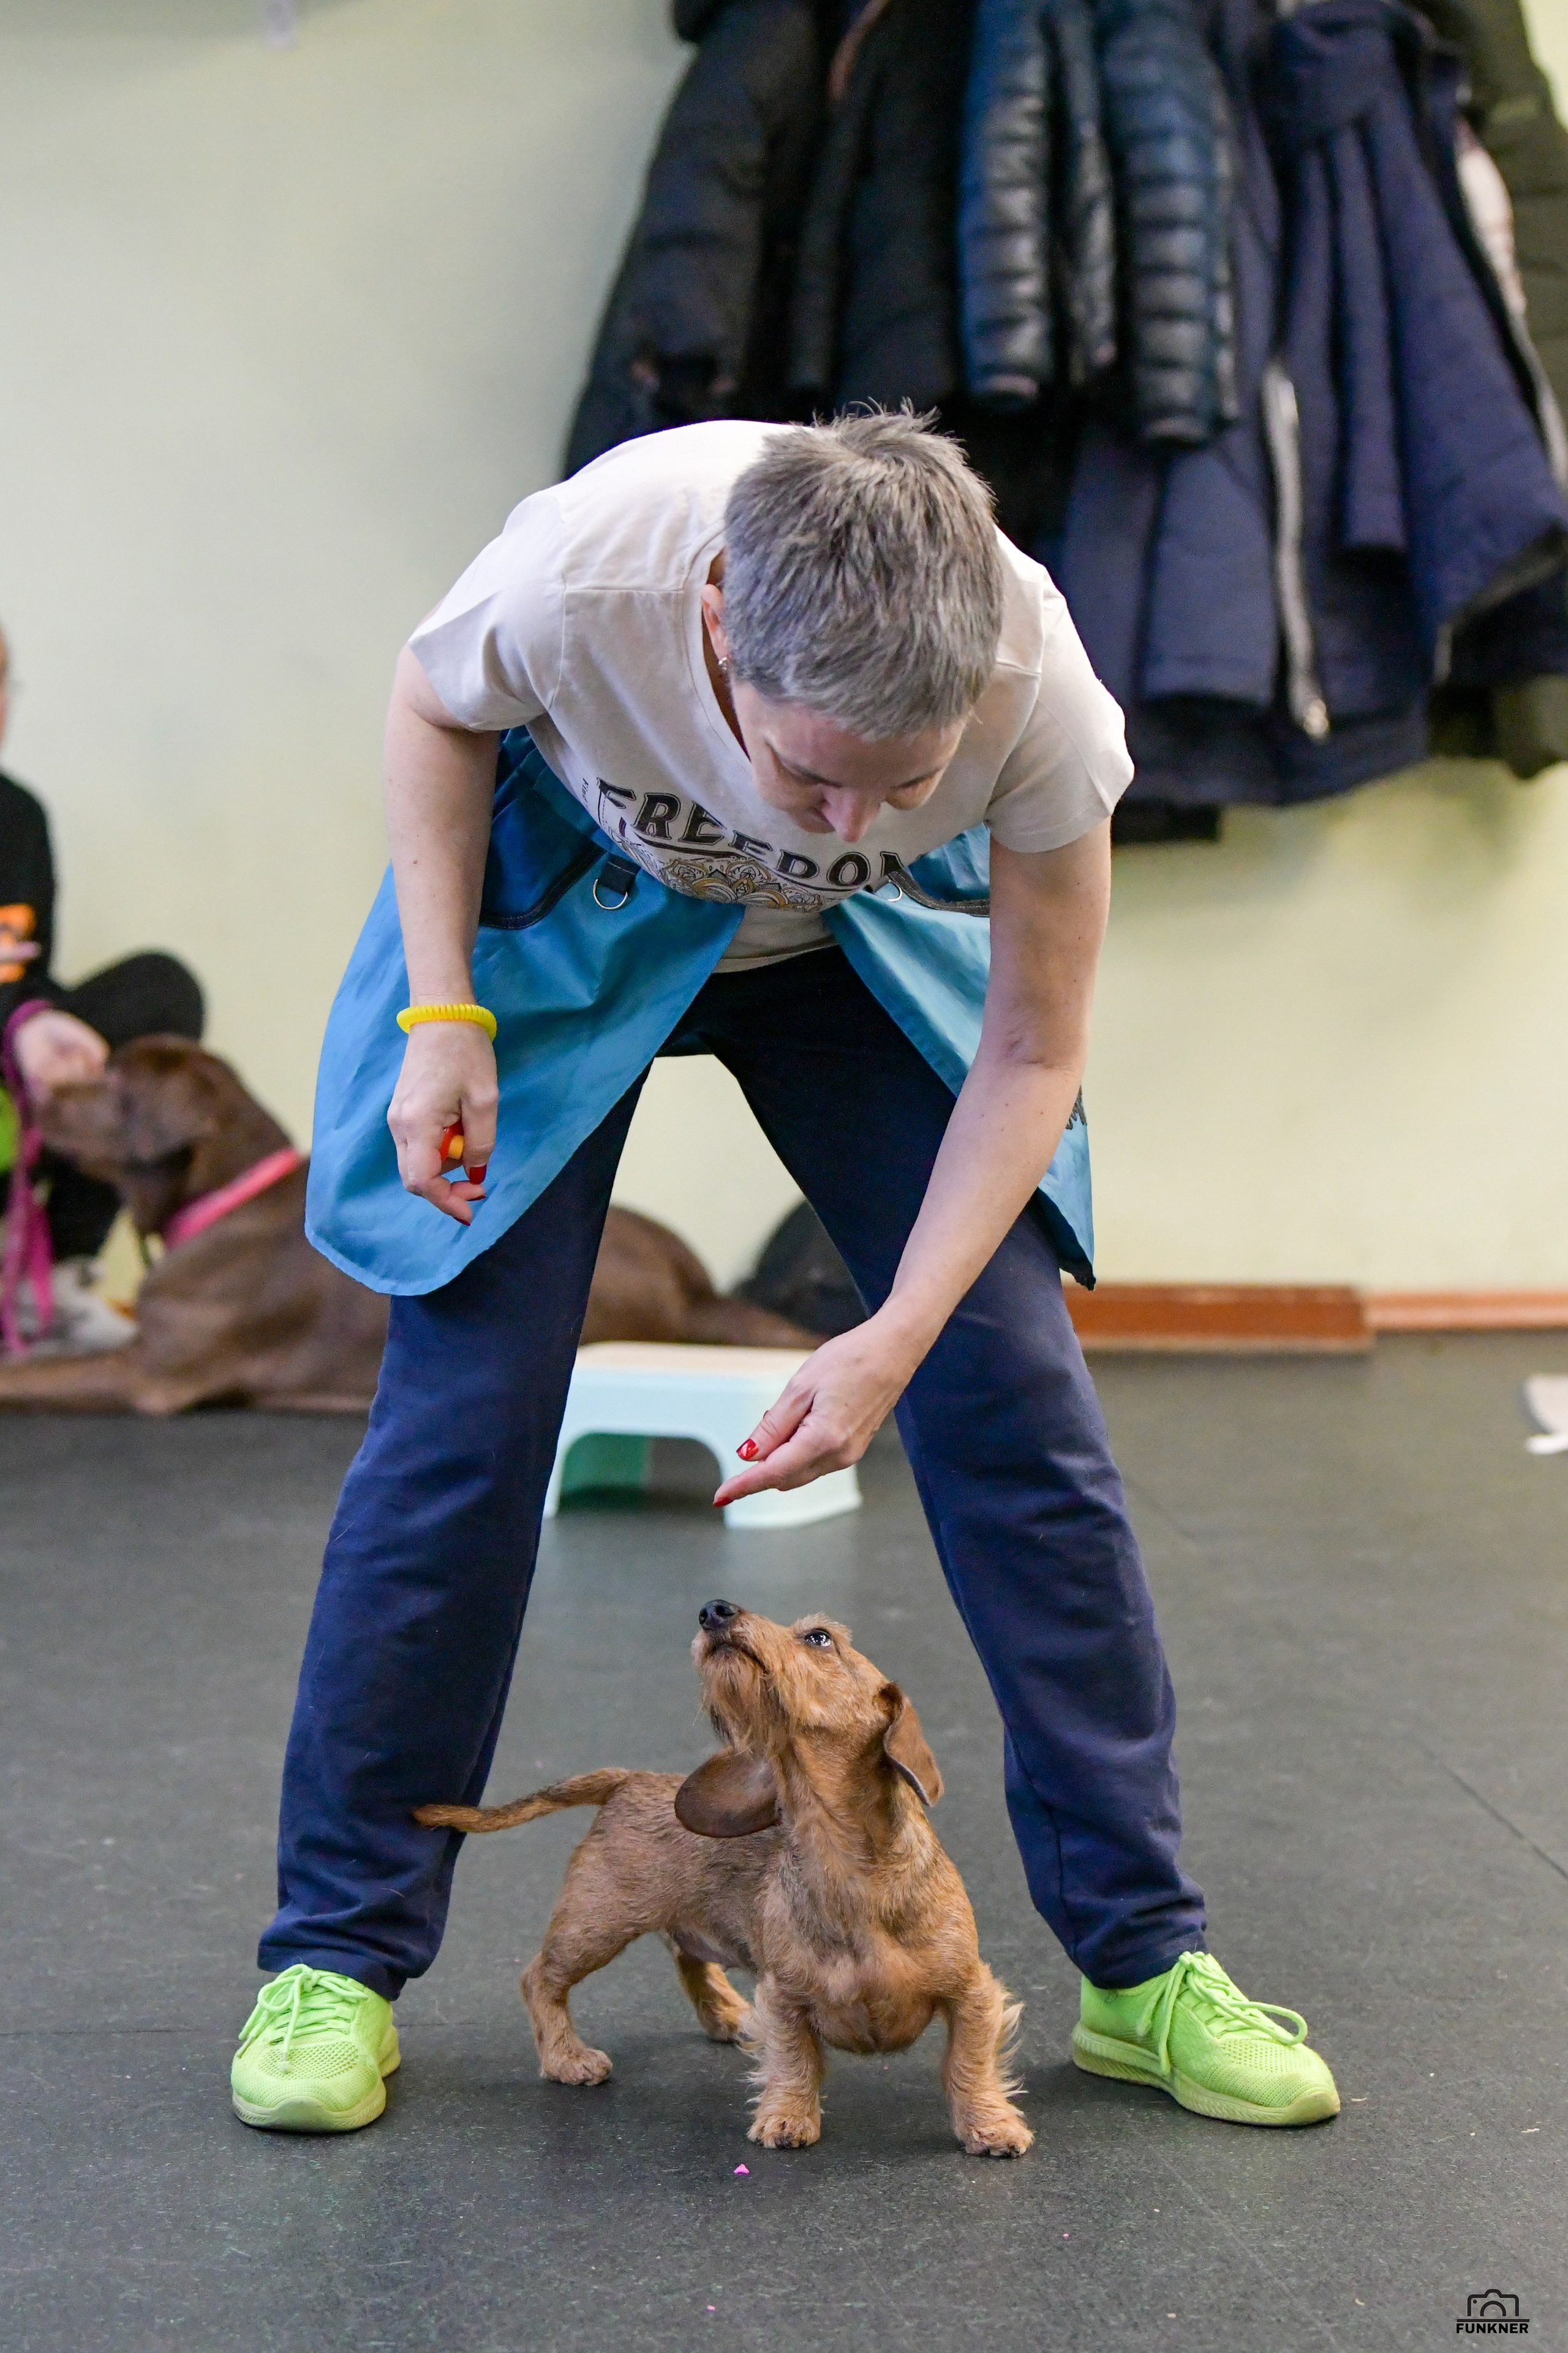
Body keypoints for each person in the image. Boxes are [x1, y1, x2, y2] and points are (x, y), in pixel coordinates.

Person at [232, 414, 1340, 2134]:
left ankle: (1141, 1964)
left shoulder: (1040, 692)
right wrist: (442, 1008)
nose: (844, 816)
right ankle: (334, 1960)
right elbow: (434, 703)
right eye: (808, 772)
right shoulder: (589, 573)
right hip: (573, 897)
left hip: (847, 958)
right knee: (462, 1424)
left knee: (1017, 1404)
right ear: (717, 626)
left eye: (903, 783)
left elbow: (1034, 1049)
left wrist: (895, 1332)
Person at [0, 625, 204, 1351]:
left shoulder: (18, 817)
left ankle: (58, 1274)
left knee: (160, 990)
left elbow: (25, 970)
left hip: (7, 1040)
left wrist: (36, 1022)